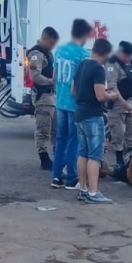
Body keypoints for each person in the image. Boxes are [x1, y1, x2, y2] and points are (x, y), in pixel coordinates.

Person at [73, 38, 120, 204]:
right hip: (93, 115)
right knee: (94, 155)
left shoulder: (82, 65)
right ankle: (93, 193)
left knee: (82, 153)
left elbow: (74, 90)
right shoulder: (98, 69)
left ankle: (82, 189)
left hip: (79, 114)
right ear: (105, 53)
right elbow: (100, 96)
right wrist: (111, 95)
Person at [51, 19, 92, 189]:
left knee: (60, 140)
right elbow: (82, 80)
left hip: (60, 101)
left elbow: (54, 77)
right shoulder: (82, 54)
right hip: (74, 104)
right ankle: (72, 178)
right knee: (73, 141)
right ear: (83, 35)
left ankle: (56, 176)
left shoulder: (59, 50)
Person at [105, 41, 132, 167]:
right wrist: (123, 103)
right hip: (117, 103)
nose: (130, 58)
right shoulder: (112, 63)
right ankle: (119, 160)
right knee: (118, 132)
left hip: (129, 101)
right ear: (122, 53)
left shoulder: (131, 62)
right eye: (128, 56)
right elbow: (112, 87)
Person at [28, 27, 60, 170]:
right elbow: (35, 76)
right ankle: (44, 158)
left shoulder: (48, 53)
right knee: (43, 129)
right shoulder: (36, 54)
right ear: (45, 39)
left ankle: (57, 156)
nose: (52, 46)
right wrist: (51, 81)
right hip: (43, 97)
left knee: (55, 129)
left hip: (52, 97)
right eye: (51, 43)